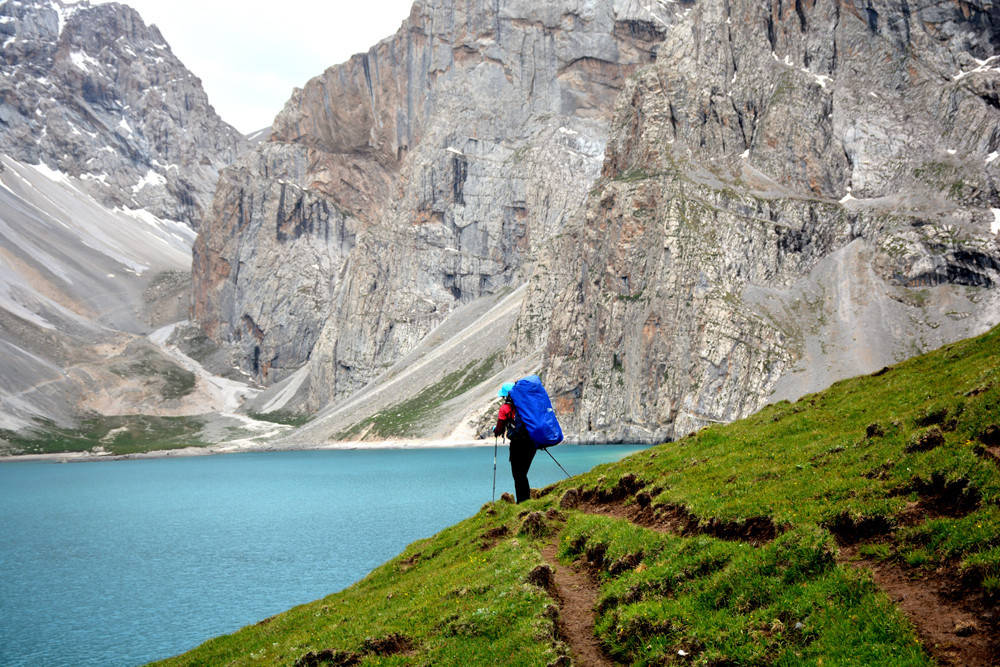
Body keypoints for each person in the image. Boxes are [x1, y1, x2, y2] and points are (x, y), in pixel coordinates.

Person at [494, 382, 536, 503]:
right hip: (531, 443)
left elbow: (500, 429)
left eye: (503, 396)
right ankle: (525, 500)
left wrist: (495, 430)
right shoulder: (525, 406)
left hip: (517, 445)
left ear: (506, 396)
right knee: (522, 473)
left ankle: (522, 501)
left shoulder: (504, 409)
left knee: (518, 475)